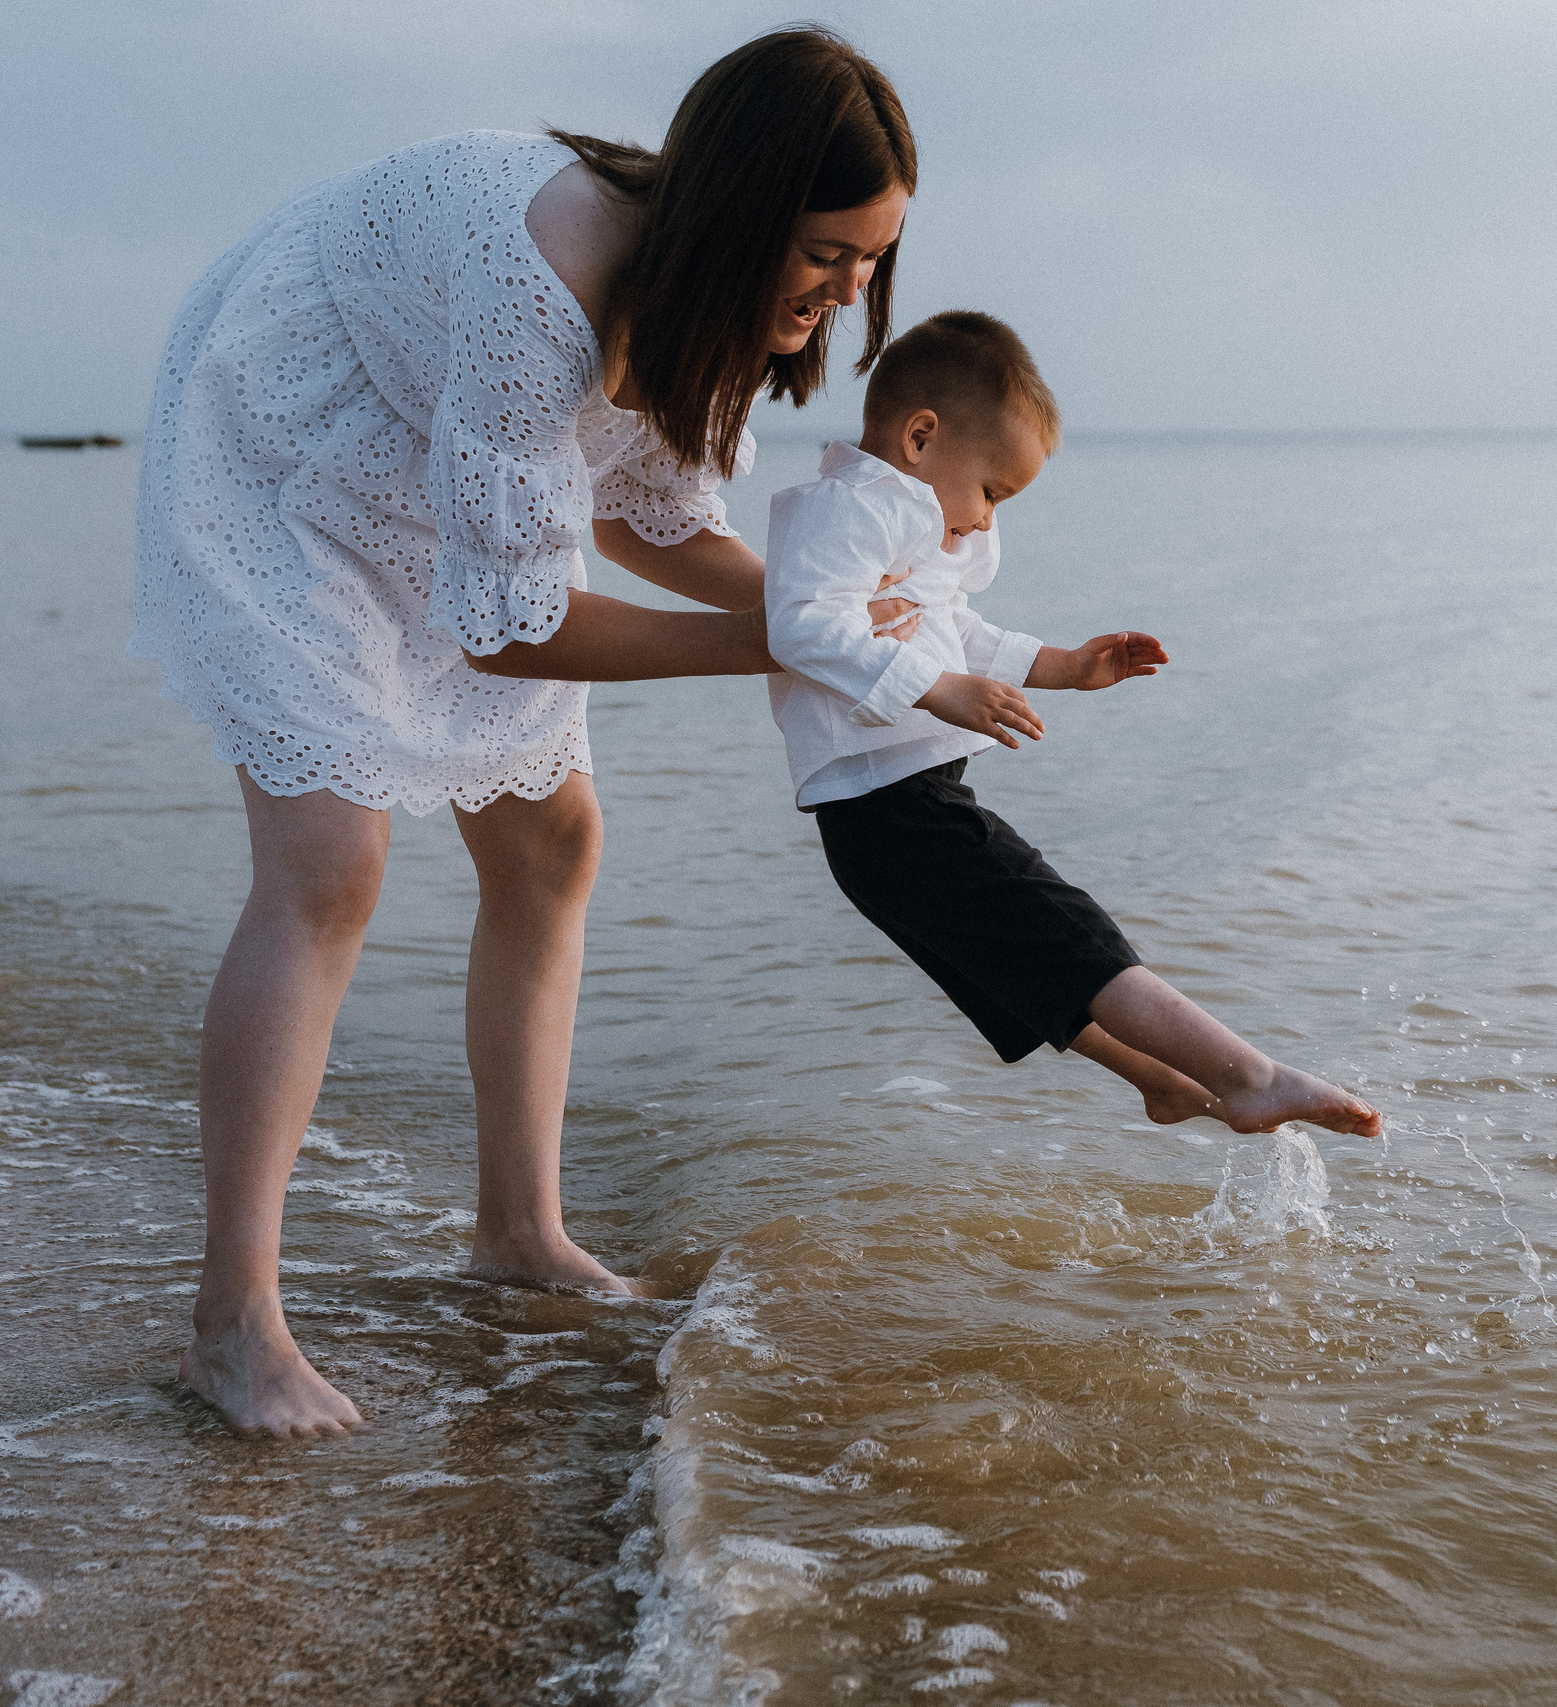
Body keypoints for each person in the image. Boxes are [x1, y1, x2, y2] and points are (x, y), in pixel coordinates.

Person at [129, 28, 920, 1440]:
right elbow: (512, 622)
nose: (844, 294)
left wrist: (838, 611)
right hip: (290, 421)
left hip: (436, 449)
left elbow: (649, 517)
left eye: (871, 261)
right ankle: (231, 1321)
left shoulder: (695, 294)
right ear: (741, 208)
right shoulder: (542, 278)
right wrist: (778, 641)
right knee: (330, 862)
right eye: (822, 254)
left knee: (555, 840)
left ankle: (517, 1229)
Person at [479, 312, 1386, 1138]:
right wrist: (935, 689)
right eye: (991, 489)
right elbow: (804, 625)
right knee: (1065, 930)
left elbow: (960, 632)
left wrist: (1064, 666)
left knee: (1012, 961)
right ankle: (1249, 1072)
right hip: (889, 808)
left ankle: (1156, 1077)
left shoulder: (909, 524)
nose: (987, 517)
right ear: (921, 438)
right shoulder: (844, 512)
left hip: (893, 811)